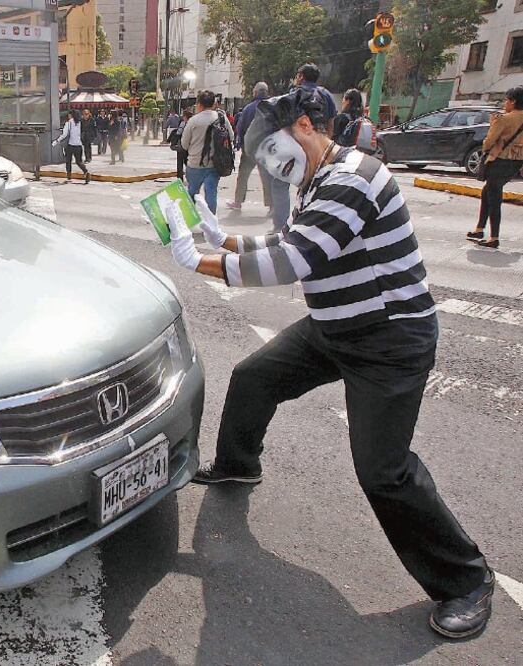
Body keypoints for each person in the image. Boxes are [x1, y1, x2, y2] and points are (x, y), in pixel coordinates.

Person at [162, 87, 493, 640]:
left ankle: (467, 580)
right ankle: (240, 463)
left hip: (388, 340)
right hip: (335, 327)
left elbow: (295, 260)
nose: (271, 162)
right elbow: (293, 238)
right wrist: (227, 240)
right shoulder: (319, 177)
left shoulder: (352, 178)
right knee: (254, 378)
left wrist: (199, 260)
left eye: (272, 147)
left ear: (307, 126)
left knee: (384, 472)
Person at [467, 86, 523, 249]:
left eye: (506, 100)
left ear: (513, 102)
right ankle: (479, 229)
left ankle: (494, 237)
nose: (505, 103)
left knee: (494, 197)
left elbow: (489, 141)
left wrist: (487, 144)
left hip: (499, 160)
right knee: (487, 192)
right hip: (516, 161)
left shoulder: (504, 119)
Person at [181, 90, 229, 214]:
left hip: (195, 164)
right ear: (214, 104)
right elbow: (231, 137)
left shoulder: (193, 121)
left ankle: (188, 219)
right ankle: (210, 221)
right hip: (214, 164)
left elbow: (184, 144)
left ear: (199, 104)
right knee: (211, 194)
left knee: (192, 193)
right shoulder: (221, 118)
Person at [228, 82, 272, 212]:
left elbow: (240, 127)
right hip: (266, 150)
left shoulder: (248, 108)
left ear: (256, 93)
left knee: (243, 176)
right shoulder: (272, 107)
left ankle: (238, 202)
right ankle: (272, 205)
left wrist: (240, 144)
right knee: (267, 177)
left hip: (249, 149)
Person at [54, 109, 91, 184]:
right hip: (79, 145)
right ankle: (86, 172)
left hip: (70, 145)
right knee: (79, 162)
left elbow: (64, 135)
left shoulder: (69, 123)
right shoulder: (80, 123)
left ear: (71, 115)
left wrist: (56, 141)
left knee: (68, 161)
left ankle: (69, 176)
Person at [174, 107, 192, 181]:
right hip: (190, 146)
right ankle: (190, 177)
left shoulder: (183, 123)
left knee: (180, 163)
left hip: (182, 145)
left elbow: (178, 133)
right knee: (188, 162)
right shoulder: (193, 124)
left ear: (185, 116)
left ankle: (180, 178)